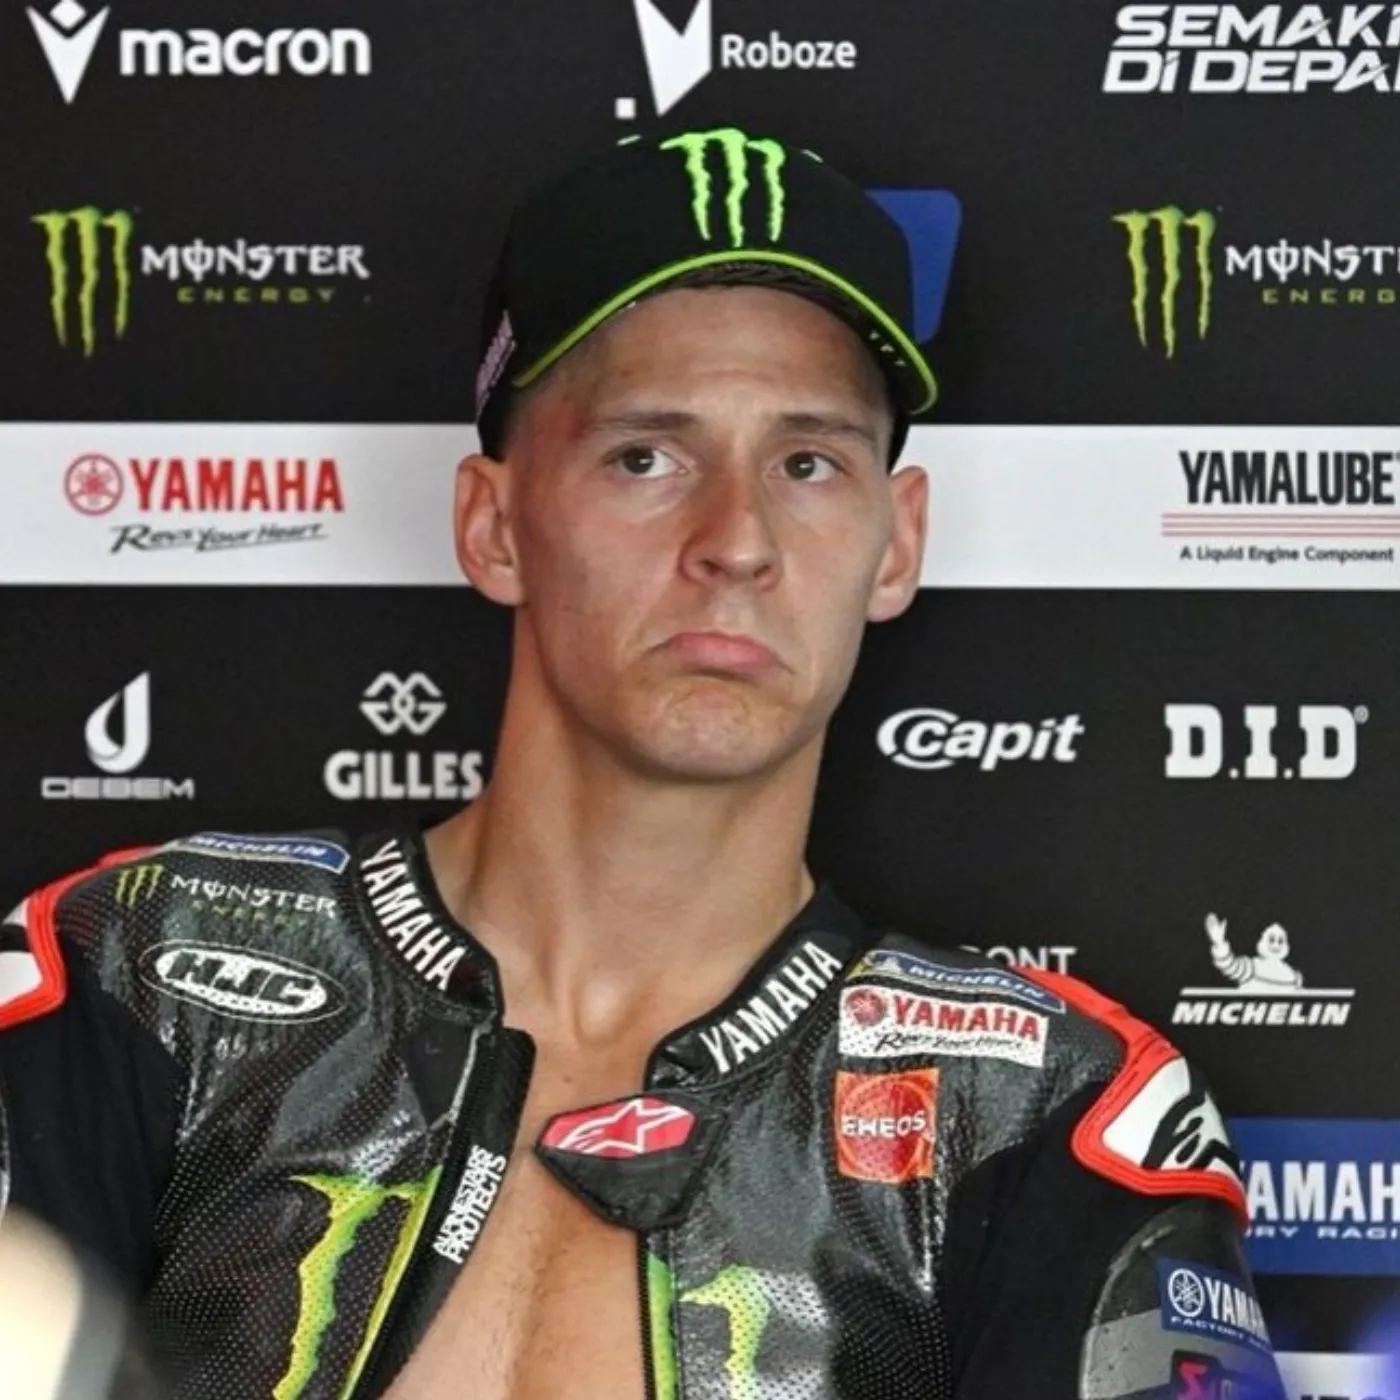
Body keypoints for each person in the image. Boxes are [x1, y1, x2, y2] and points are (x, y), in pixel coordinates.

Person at [0, 125, 1282, 1400]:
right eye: (645, 456)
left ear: (895, 544)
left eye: (807, 462)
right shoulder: (126, 974)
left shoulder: (1043, 1110)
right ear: (494, 525)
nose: (736, 540)